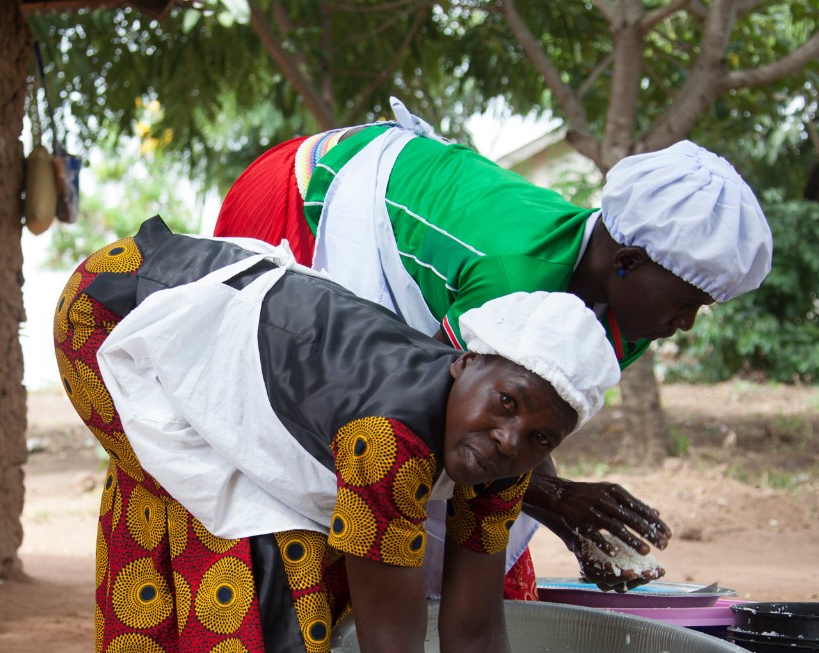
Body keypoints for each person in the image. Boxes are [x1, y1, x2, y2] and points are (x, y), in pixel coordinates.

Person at [54, 216, 620, 653]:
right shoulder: (390, 440)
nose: (509, 440)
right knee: (236, 550)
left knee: (301, 562)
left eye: (541, 438)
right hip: (116, 311)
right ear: (464, 363)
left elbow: (474, 626)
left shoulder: (499, 462)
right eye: (506, 403)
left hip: (233, 318)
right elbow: (391, 651)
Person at [213, 100, 774, 596]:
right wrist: (555, 499)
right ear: (627, 263)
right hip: (304, 192)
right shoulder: (513, 275)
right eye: (688, 303)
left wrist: (566, 514)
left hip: (409, 231)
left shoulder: (623, 317)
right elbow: (421, 410)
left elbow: (525, 416)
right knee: (308, 466)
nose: (687, 324)